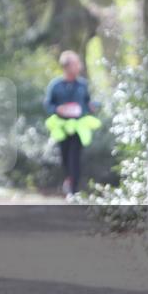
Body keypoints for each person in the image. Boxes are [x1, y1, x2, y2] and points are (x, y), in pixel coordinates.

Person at [44, 50, 101, 200]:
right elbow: (48, 104)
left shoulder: (83, 85)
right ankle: (68, 181)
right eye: (76, 64)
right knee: (65, 157)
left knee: (75, 157)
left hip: (78, 127)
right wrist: (57, 109)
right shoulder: (55, 85)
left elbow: (88, 103)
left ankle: (73, 190)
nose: (79, 66)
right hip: (62, 128)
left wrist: (92, 106)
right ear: (67, 67)